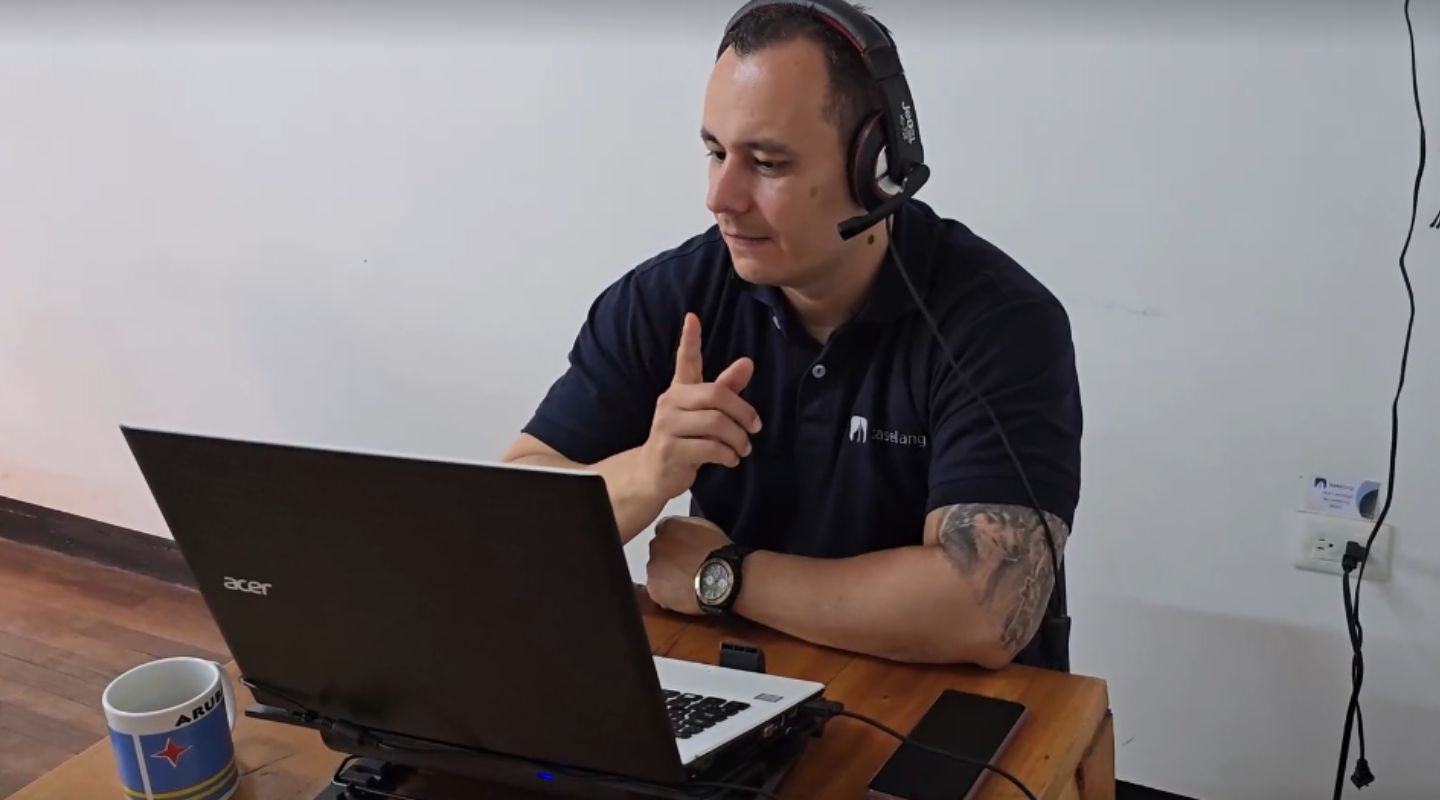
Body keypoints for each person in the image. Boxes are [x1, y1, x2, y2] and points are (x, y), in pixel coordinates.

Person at [503, 0, 1082, 670]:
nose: (721, 196)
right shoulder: (670, 297)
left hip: (941, 709)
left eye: (767, 163)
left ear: (878, 170)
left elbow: (981, 611)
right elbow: (505, 530)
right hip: (737, 687)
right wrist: (649, 471)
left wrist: (726, 574)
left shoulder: (999, 322)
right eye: (715, 152)